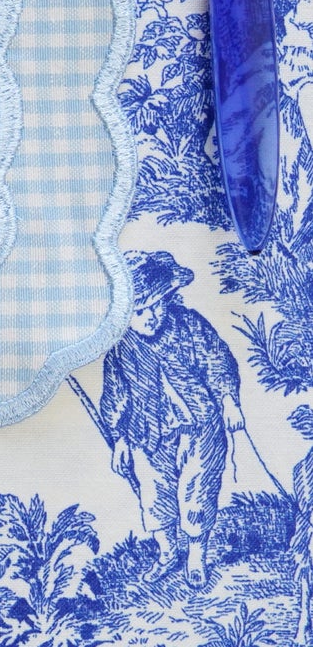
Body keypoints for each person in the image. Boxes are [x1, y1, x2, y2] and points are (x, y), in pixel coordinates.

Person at [95, 249, 245, 587]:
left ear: (169, 297)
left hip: (199, 424)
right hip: (146, 433)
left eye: (156, 304)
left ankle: (195, 554)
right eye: (139, 310)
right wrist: (119, 439)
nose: (149, 316)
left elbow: (217, 360)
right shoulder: (120, 347)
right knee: (154, 494)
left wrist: (228, 400)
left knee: (197, 490)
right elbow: (115, 394)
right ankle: (166, 553)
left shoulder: (188, 325)